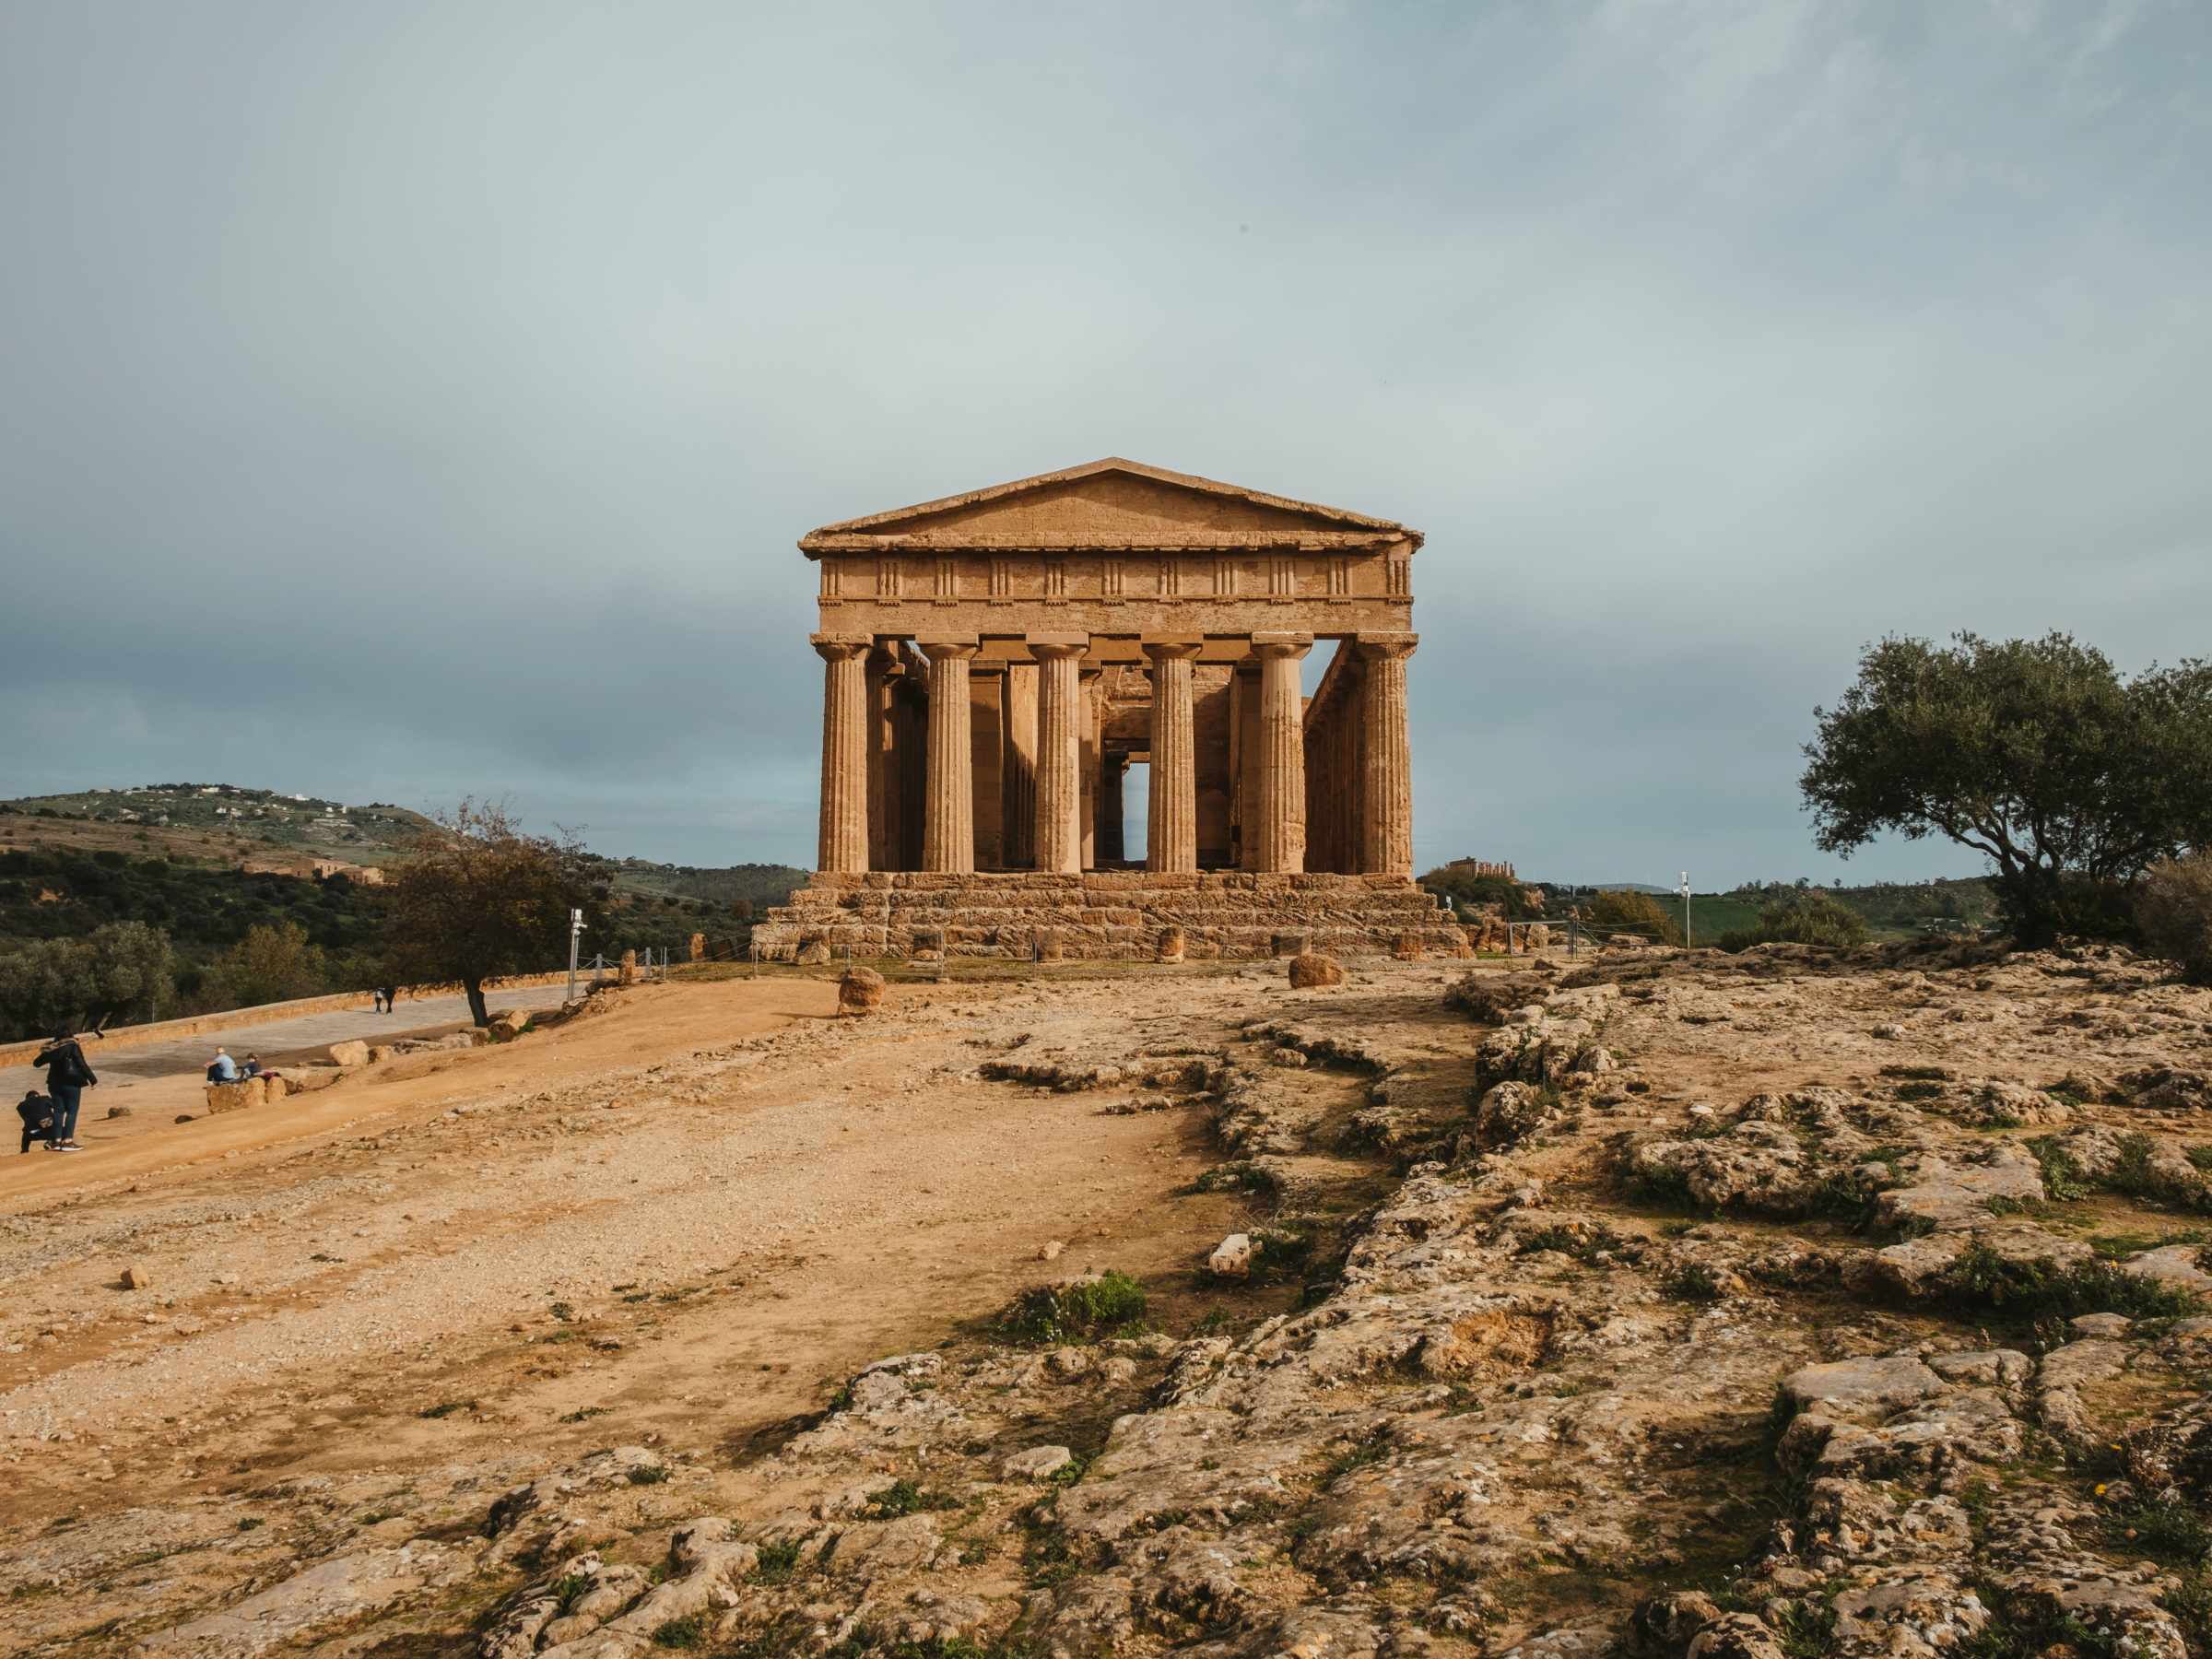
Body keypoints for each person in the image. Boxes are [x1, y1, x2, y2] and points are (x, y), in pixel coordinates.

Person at [31, 1030, 96, 1151]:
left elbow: (36, 1063)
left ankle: (56, 1141)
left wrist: (48, 1054)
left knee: (58, 1111)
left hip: (54, 1084)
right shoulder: (72, 1046)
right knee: (72, 1111)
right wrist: (92, 1079)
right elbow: (81, 1064)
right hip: (71, 1083)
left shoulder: (52, 1048)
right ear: (70, 1036)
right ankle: (68, 1141)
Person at [17, 1090, 62, 1154]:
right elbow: (58, 1107)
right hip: (50, 1133)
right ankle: (52, 1142)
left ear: (26, 1098)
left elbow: (26, 1118)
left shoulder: (20, 1106)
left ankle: (24, 1150)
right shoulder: (45, 1098)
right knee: (61, 1128)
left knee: (26, 1130)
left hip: (31, 1134)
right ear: (38, 1095)